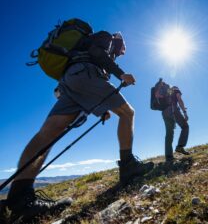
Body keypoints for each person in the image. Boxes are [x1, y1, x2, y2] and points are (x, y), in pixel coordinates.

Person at [5, 30, 154, 221]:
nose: (124, 50)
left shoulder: (83, 46)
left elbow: (89, 70)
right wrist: (121, 74)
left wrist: (101, 108)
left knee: (47, 134)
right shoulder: (107, 38)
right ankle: (128, 166)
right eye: (123, 45)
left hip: (70, 80)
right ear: (118, 39)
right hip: (85, 74)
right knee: (128, 113)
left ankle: (19, 198)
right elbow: (97, 54)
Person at [155, 80, 190, 162]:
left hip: (164, 113)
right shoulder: (175, 88)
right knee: (185, 126)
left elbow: (158, 97)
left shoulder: (166, 91)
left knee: (169, 134)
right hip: (173, 110)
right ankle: (180, 147)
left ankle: (169, 157)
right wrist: (185, 112)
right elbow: (179, 99)